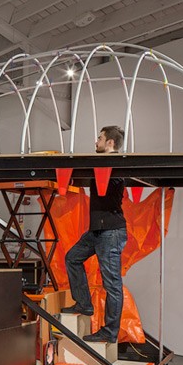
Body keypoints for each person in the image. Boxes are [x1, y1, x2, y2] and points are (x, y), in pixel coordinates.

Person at [62, 125, 128, 344]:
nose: (95, 142)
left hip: (111, 232)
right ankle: (84, 304)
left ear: (110, 143)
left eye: (99, 138)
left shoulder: (117, 165)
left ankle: (109, 332)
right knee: (72, 258)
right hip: (97, 231)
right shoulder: (99, 165)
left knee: (112, 285)